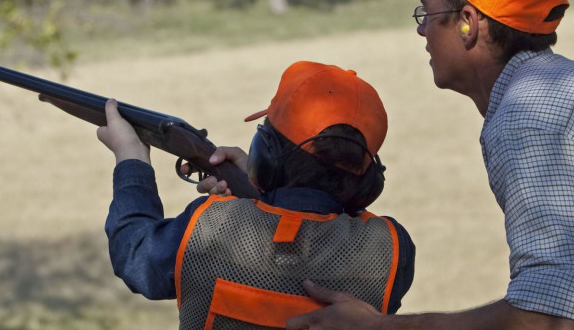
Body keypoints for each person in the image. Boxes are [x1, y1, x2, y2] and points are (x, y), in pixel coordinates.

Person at [276, 0, 574, 329]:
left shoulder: (533, 123)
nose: (421, 30)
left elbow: (550, 321)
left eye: (427, 12)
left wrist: (378, 327)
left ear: (468, 22)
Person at [98, 60, 416, 329]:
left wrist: (131, 158)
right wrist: (262, 193)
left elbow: (134, 252)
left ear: (265, 154)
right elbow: (314, 236)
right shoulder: (392, 249)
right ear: (368, 184)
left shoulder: (210, 228)